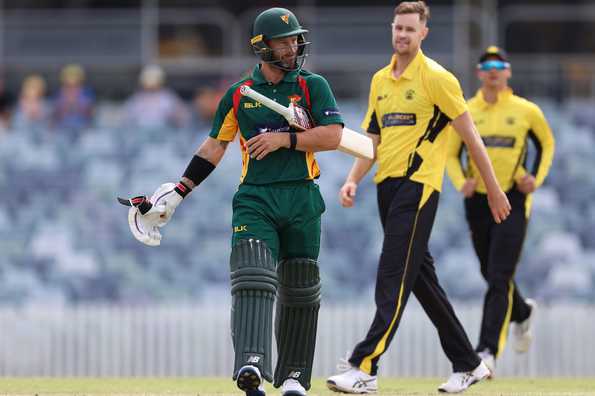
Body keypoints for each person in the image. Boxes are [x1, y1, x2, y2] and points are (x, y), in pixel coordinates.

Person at [124, 7, 343, 396]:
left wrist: (285, 139)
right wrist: (179, 191)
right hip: (256, 197)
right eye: (284, 40)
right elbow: (213, 147)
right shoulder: (240, 95)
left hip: (303, 196)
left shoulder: (313, 86)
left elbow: (332, 137)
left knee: (301, 286)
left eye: (295, 39)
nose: (293, 46)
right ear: (262, 47)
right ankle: (252, 364)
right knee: (253, 276)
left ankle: (294, 376)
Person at [325, 2, 511, 394]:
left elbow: (472, 139)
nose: (402, 35)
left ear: (424, 32)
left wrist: (493, 189)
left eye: (410, 29)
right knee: (421, 280)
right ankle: (469, 362)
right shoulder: (380, 80)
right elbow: (373, 139)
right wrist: (353, 179)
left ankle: (364, 366)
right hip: (386, 187)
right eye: (398, 28)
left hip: (419, 185)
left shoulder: (437, 78)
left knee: (392, 272)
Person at [445, 46, 555, 377]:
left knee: (498, 276)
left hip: (512, 199)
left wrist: (536, 177)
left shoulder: (526, 110)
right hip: (477, 201)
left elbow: (546, 144)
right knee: (490, 271)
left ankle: (487, 351)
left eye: (499, 65)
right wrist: (459, 181)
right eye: (487, 65)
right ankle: (520, 312)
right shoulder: (465, 110)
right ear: (479, 73)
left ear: (508, 71)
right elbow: (451, 153)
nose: (493, 70)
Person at [123, 64, 190, 129]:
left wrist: (175, 118)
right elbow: (125, 120)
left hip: (164, 134)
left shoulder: (168, 97)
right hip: (141, 135)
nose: (151, 86)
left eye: (154, 80)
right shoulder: (137, 99)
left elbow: (183, 118)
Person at [52, 64, 95, 132]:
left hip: (81, 125)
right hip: (63, 126)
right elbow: (56, 112)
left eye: (74, 76)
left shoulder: (86, 92)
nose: (71, 79)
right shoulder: (60, 93)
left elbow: (89, 112)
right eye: (69, 76)